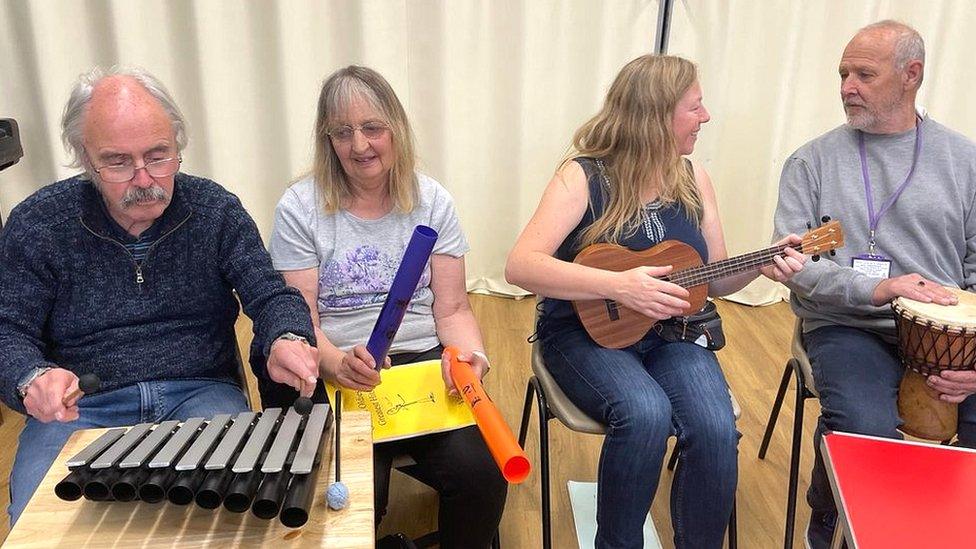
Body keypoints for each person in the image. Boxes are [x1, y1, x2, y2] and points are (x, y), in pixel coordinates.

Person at [506, 54, 806, 548]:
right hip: (585, 335)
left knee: (714, 429)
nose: (705, 117)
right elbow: (521, 265)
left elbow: (715, 279)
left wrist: (762, 264)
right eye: (694, 107)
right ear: (656, 115)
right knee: (644, 414)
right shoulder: (582, 176)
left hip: (675, 333)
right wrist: (619, 286)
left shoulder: (693, 178)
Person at [0, 66, 320, 525]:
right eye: (117, 162)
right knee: (42, 523)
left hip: (200, 395)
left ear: (178, 145)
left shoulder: (215, 211)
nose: (144, 177)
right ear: (84, 157)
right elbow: (8, 328)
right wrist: (31, 377)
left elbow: (271, 296)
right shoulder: (39, 225)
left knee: (231, 518)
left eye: (159, 155)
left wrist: (285, 337)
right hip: (83, 406)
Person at [263, 65, 506, 548]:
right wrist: (334, 362)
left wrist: (471, 359)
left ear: (396, 128)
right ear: (326, 139)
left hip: (420, 367)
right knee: (351, 496)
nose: (359, 145)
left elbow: (453, 309)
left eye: (372, 127)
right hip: (337, 367)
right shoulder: (299, 208)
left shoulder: (432, 200)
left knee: (482, 476)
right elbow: (302, 319)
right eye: (343, 132)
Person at [772, 20, 976, 548]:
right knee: (865, 429)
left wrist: (974, 355)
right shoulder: (811, 162)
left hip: (951, 336)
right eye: (842, 73)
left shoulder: (964, 161)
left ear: (912, 75)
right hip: (849, 326)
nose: (846, 86)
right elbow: (801, 269)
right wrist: (878, 290)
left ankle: (941, 530)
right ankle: (832, 519)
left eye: (863, 73)